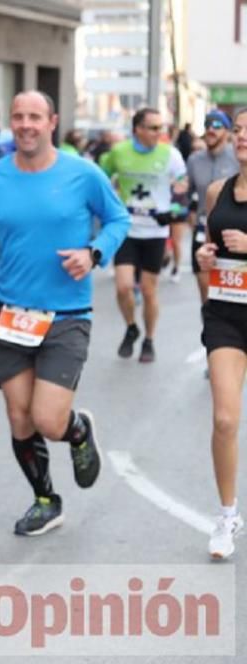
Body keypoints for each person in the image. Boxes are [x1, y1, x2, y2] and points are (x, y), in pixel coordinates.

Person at [0, 91, 130, 536]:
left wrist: (93, 254)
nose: (25, 124)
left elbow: (118, 220)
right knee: (19, 418)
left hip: (66, 313)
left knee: (48, 420)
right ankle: (45, 499)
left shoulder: (82, 174)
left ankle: (76, 430)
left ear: (52, 121)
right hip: (11, 313)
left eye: (35, 116)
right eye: (18, 116)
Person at [192, 106, 247, 559]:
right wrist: (205, 260)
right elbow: (206, 247)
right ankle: (227, 514)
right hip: (227, 314)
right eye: (241, 129)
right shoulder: (216, 192)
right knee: (225, 419)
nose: (244, 136)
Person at [100, 107, 187, 363]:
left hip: (155, 232)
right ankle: (131, 327)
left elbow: (182, 185)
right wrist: (109, 210)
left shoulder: (170, 154)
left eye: (161, 127)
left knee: (149, 291)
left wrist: (172, 211)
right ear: (137, 129)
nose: (159, 132)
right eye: (153, 127)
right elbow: (100, 181)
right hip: (126, 229)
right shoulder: (119, 152)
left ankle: (149, 339)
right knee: (123, 286)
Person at [188, 110, 240, 305]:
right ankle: (211, 325)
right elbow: (187, 194)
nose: (211, 129)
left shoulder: (238, 158)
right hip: (203, 229)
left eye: (217, 126)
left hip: (233, 228)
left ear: (227, 132)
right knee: (205, 286)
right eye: (207, 125)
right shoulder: (194, 160)